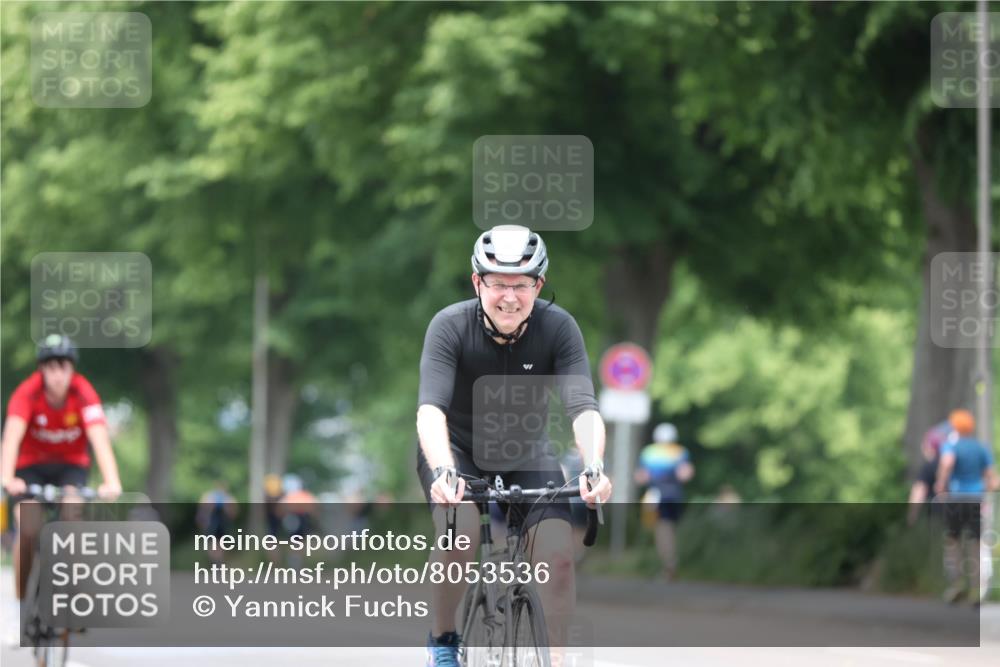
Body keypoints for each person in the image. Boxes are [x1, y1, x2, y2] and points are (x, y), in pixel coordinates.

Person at [416, 225, 612, 667]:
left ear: (538, 284)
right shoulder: (449, 326)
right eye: (497, 283)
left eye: (520, 285)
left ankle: (555, 660)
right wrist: (445, 473)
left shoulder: (559, 328)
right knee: (460, 532)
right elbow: (431, 411)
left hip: (527, 454)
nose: (509, 297)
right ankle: (444, 640)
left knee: (559, 557)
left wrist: (595, 464)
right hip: (456, 452)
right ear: (476, 282)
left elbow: (583, 407)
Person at [1, 335, 122, 598]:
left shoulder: (84, 393)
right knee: (29, 524)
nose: (57, 375)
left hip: (70, 466)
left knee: (73, 515)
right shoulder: (27, 393)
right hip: (30, 467)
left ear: (72, 369)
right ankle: (22, 600)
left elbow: (99, 439)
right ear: (42, 370)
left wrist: (112, 481)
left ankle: (74, 593)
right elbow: (11, 438)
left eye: (63, 367)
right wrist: (8, 477)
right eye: (51, 367)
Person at [934, 409, 999, 605]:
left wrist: (941, 485)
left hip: (956, 498)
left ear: (955, 427)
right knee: (977, 543)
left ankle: (956, 583)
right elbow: (992, 477)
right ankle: (978, 588)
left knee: (952, 540)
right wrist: (985, 491)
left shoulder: (951, 445)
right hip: (976, 499)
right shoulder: (981, 448)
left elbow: (947, 463)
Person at [634, 423, 694, 581]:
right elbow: (685, 475)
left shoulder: (649, 452)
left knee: (662, 530)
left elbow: (642, 477)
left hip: (657, 495)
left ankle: (669, 565)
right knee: (671, 529)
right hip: (676, 495)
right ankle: (670, 563)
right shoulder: (680, 452)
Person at [907, 418, 953, 525]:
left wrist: (912, 515)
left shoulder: (930, 466)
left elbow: (919, 490)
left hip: (939, 518)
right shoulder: (958, 462)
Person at [196, 481, 238, 564]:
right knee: (213, 542)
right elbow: (202, 510)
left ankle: (218, 561)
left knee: (219, 542)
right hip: (212, 522)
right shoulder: (210, 497)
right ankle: (215, 561)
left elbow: (233, 513)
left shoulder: (228, 498)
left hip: (222, 523)